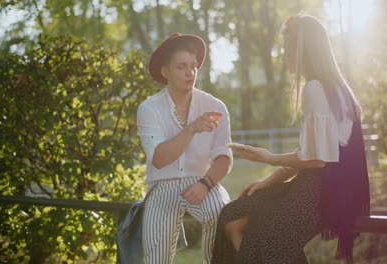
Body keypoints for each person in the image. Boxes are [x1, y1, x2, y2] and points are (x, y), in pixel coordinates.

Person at [211, 14, 370, 264]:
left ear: (303, 51)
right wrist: (269, 181)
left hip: (323, 192)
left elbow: (318, 161)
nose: (284, 57)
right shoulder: (330, 88)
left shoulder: (316, 89)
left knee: (265, 243)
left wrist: (268, 158)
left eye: (287, 50)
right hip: (313, 185)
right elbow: (309, 153)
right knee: (232, 216)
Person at [137, 33, 233, 264]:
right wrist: (191, 129)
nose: (190, 73)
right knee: (155, 257)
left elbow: (224, 156)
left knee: (221, 214)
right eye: (181, 67)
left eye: (193, 66)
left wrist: (206, 184)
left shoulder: (215, 106)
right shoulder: (149, 108)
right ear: (165, 71)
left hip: (203, 181)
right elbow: (159, 159)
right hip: (162, 185)